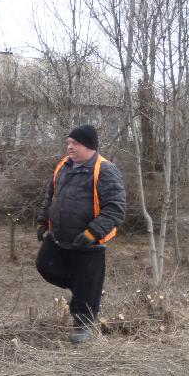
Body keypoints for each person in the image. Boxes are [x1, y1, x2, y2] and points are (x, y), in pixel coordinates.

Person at [36, 125, 126, 344]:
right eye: (68, 143)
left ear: (88, 145)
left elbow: (116, 207)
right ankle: (81, 291)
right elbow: (51, 196)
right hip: (59, 236)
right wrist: (43, 221)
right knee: (45, 266)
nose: (69, 147)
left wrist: (93, 232)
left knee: (87, 282)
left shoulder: (105, 169)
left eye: (74, 143)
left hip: (89, 242)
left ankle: (83, 327)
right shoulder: (63, 166)